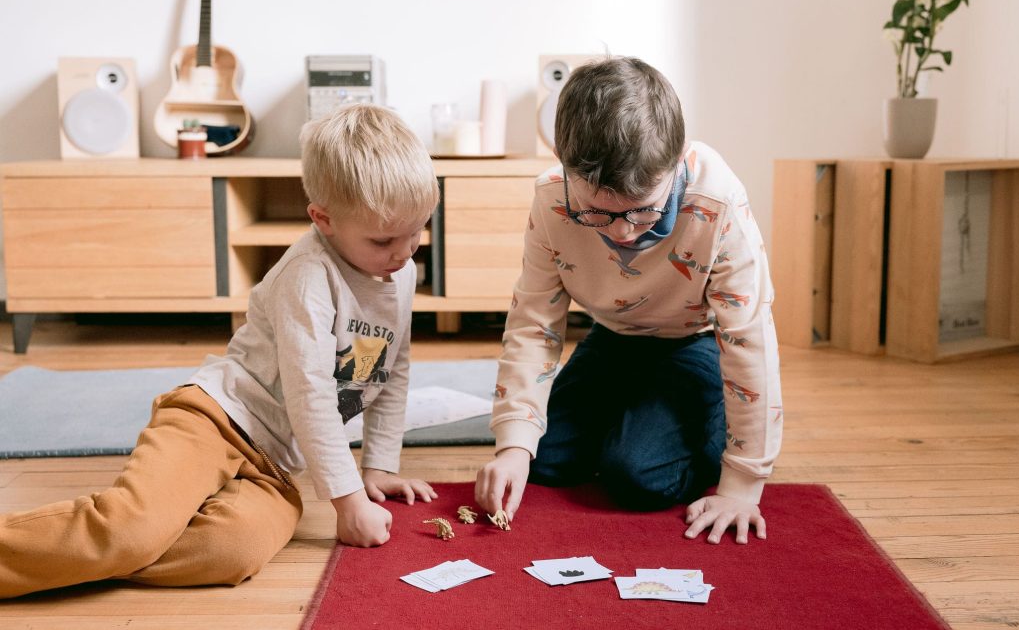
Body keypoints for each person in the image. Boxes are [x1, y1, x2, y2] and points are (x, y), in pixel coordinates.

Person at [0, 103, 440, 598]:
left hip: (274, 463)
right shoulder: (307, 277)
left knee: (233, 552)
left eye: (417, 232)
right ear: (323, 219)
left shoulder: (402, 273)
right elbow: (311, 394)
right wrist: (347, 501)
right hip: (214, 420)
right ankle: (104, 544)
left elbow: (392, 371)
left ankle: (101, 554)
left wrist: (379, 465)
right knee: (132, 530)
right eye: (384, 240)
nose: (404, 253)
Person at [474, 56, 782, 544]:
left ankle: (690, 420)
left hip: (694, 342)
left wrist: (743, 483)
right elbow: (535, 323)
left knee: (637, 476)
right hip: (613, 336)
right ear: (563, 163)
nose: (620, 233)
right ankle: (639, 413)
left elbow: (748, 342)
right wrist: (512, 444)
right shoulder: (552, 199)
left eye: (642, 211)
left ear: (676, 160)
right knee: (543, 460)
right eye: (596, 213)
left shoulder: (718, 202)